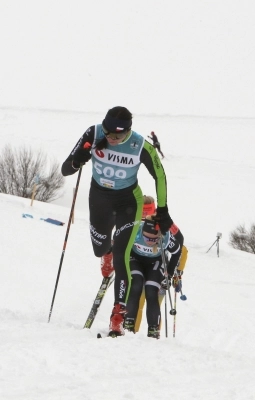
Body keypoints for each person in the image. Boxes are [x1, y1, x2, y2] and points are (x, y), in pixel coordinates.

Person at [61, 106, 174, 337]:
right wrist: (77, 161)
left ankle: (118, 315)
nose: (111, 139)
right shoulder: (93, 134)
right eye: (108, 133)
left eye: (117, 136)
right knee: (100, 248)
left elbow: (160, 175)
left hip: (128, 202)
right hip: (100, 199)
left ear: (128, 132)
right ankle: (107, 253)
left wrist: (162, 209)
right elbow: (65, 170)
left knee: (124, 255)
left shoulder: (140, 144)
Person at [133, 195, 188, 333]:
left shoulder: (162, 220)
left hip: (159, 267)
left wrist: (175, 272)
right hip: (142, 264)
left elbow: (180, 246)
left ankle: (148, 333)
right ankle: (138, 334)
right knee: (142, 301)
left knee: (150, 301)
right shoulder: (137, 221)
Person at [123, 219, 182, 339]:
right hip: (135, 259)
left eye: (153, 239)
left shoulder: (166, 237)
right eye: (147, 238)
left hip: (155, 263)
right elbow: (118, 238)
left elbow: (177, 252)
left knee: (151, 290)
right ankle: (128, 322)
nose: (149, 242)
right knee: (136, 284)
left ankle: (153, 329)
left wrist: (169, 274)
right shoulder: (135, 230)